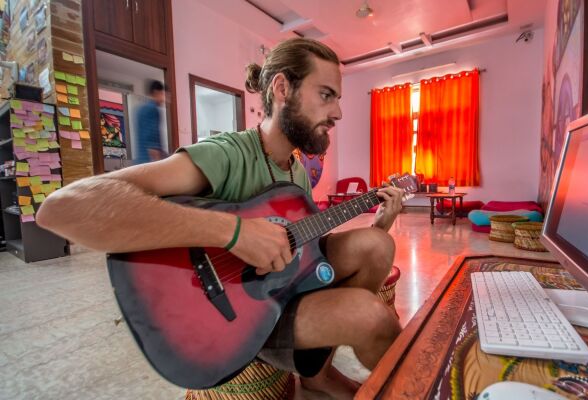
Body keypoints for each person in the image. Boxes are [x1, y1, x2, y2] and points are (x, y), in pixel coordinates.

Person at [37, 38, 405, 399]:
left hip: (284, 290)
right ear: (282, 88)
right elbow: (61, 208)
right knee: (371, 317)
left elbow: (302, 251)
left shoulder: (297, 173)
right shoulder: (227, 154)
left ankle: (315, 374)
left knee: (376, 244)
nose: (338, 112)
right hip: (236, 315)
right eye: (327, 95)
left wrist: (378, 224)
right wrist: (234, 231)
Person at [134, 80, 166, 164]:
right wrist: (158, 162)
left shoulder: (140, 109)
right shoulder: (153, 109)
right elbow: (152, 136)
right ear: (156, 92)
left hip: (141, 159)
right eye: (163, 94)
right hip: (149, 161)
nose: (164, 99)